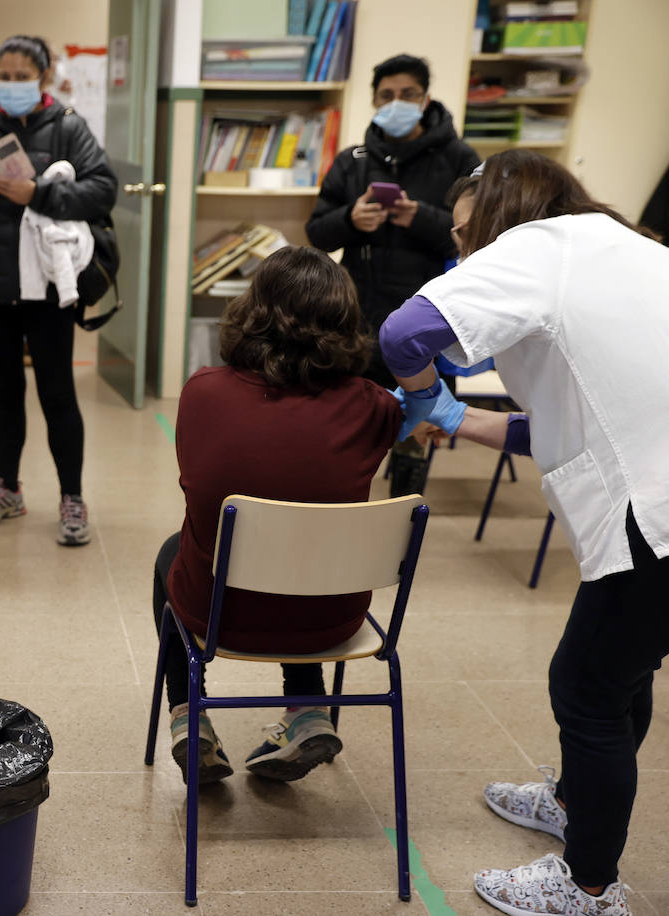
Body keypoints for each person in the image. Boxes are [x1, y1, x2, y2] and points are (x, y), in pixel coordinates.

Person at [378, 149, 669, 916]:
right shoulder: (623, 247)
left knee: (587, 687)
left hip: (658, 510)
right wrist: (450, 416)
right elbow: (572, 422)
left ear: (505, 216)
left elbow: (404, 333)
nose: (462, 252)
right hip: (657, 494)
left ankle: (590, 885)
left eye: (467, 235)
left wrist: (419, 386)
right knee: (621, 673)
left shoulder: (535, 247)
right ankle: (575, 801)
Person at [152, 246, 401, 784]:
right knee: (305, 542)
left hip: (221, 613)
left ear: (253, 310)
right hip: (332, 619)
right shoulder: (374, 407)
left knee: (173, 549)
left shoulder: (202, 393)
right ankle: (307, 707)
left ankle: (187, 716)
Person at [0, 34, 116, 546]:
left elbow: (104, 190)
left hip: (51, 290)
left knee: (58, 393)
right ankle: (7, 488)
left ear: (44, 75)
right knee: (6, 393)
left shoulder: (69, 128)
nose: (11, 86)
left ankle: (72, 497)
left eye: (21, 77)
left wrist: (39, 193)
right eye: (4, 77)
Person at [306, 54, 479, 497]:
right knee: (348, 420)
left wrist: (420, 218)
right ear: (373, 100)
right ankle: (343, 499)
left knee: (418, 425)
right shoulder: (352, 160)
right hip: (356, 314)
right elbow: (317, 233)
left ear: (425, 99)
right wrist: (351, 219)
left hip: (428, 317)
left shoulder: (460, 159)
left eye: (407, 95)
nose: (396, 103)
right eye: (386, 95)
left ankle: (403, 510)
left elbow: (477, 241)